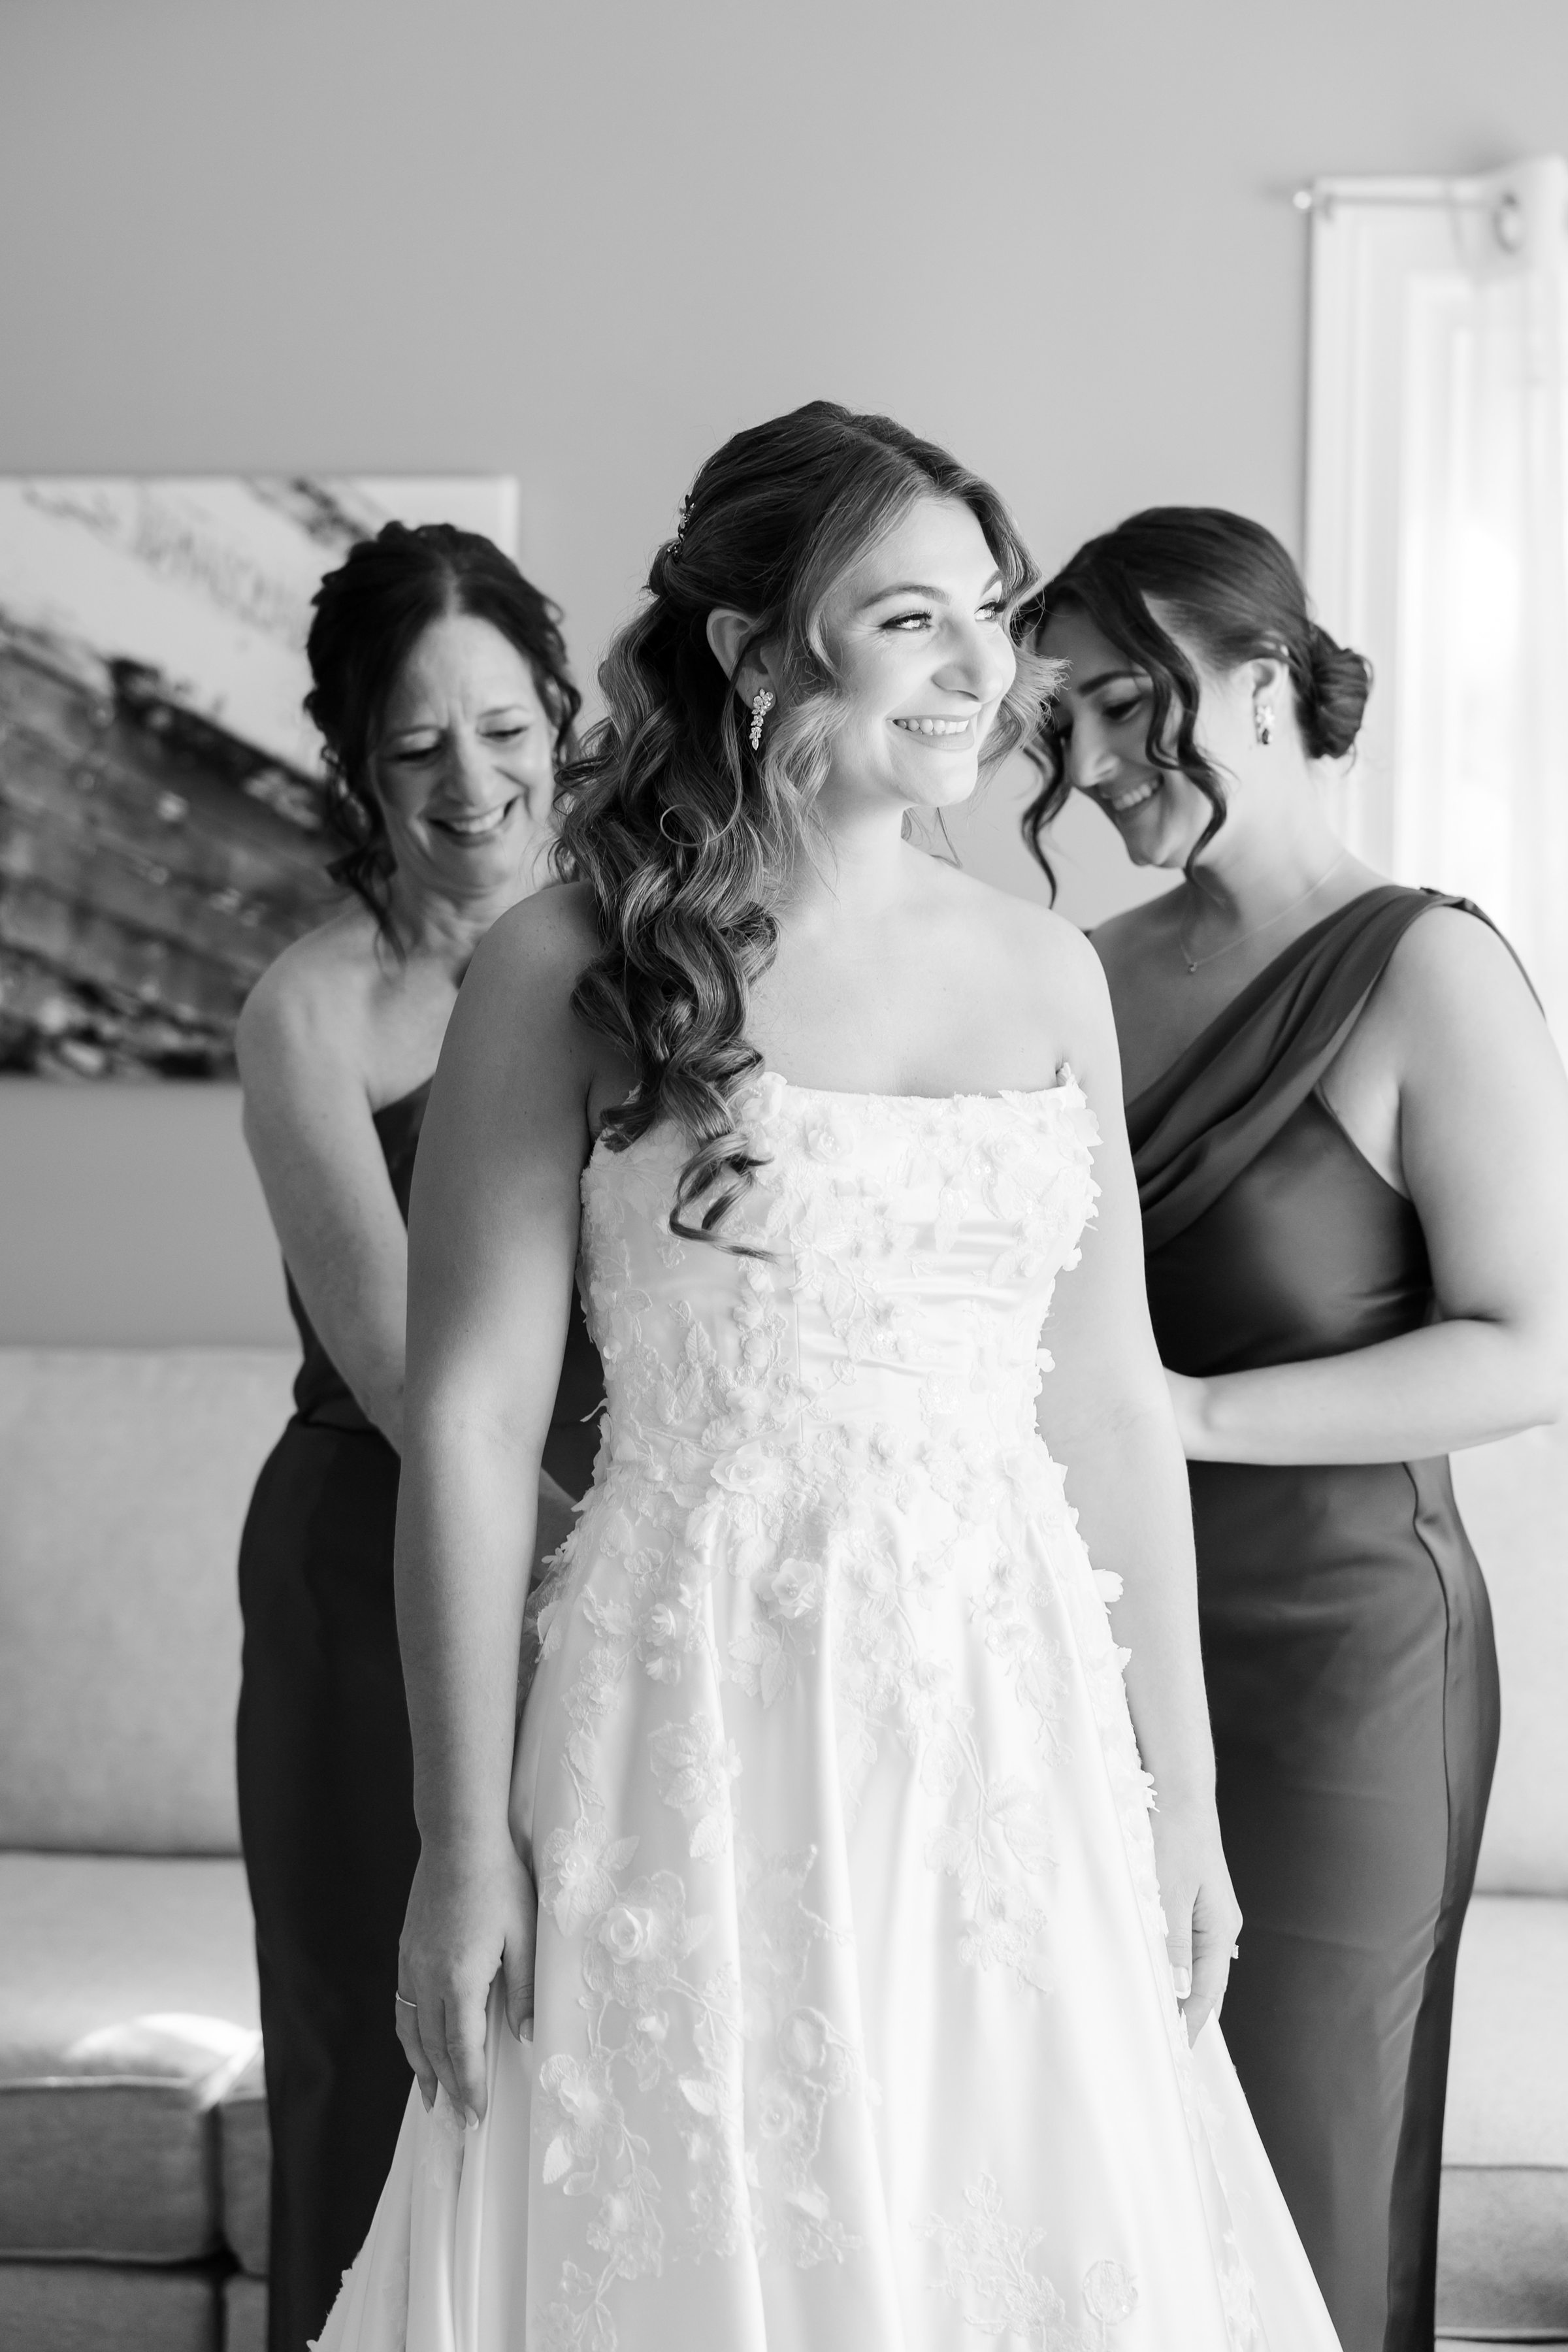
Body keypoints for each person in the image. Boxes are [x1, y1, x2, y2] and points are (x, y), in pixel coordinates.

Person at [317, 406, 1342, 2352]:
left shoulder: (1047, 970)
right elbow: (460, 1421)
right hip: (693, 1705)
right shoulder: (564, 966)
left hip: (1006, 1723)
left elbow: (1107, 1399)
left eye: (993, 612)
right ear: (754, 647)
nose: (984, 671)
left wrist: (1180, 1801)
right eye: (909, 621)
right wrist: (462, 1845)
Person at [1022, 507, 1568, 2352]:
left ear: (1262, 685)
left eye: (1122, 706)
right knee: (1093, 2174)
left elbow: (1531, 1346)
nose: (1088, 766)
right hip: (1084, 1648)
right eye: (1059, 724)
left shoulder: (1432, 971)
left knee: (1306, 2158)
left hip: (1349, 1659)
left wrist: (1176, 1415)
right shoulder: (1074, 978)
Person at [235, 523, 605, 2352]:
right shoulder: (310, 1011)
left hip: (631, 1547)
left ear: (566, 715)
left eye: (507, 727)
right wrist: (628, 1572)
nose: (475, 783)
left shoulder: (653, 954)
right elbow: (410, 1375)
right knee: (376, 2058)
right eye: (414, 746)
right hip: (374, 1569)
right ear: (356, 767)